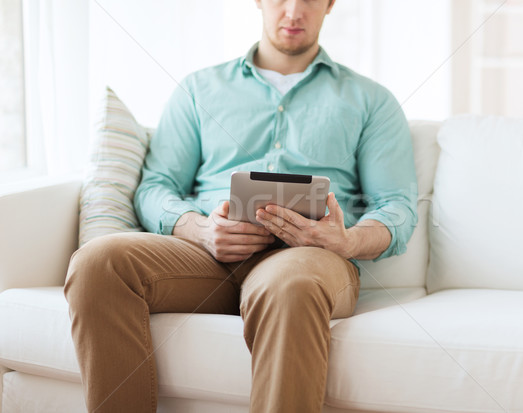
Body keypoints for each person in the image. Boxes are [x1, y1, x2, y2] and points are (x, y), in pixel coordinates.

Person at [64, 0, 418, 412]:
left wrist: (347, 241)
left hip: (307, 260)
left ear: (330, 5)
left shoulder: (371, 100)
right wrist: (198, 229)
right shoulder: (198, 89)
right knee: (96, 263)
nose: (293, 12)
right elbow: (155, 187)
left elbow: (396, 205)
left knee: (290, 286)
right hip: (203, 258)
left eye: (308, 0)